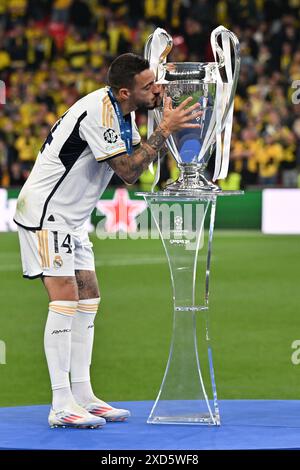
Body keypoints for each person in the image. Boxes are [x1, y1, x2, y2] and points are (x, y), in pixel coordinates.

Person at [14, 53, 202, 428]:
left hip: (74, 219)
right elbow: (129, 171)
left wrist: (162, 122)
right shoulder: (100, 112)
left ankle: (83, 394)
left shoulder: (120, 111)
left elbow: (137, 155)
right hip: (47, 215)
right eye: (149, 86)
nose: (157, 89)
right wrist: (164, 130)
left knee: (89, 299)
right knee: (66, 300)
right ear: (123, 91)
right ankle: (61, 403)